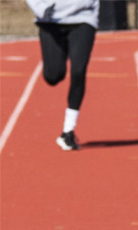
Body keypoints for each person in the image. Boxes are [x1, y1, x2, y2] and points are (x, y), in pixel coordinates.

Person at [26, 0, 100, 151]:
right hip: (51, 20)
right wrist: (41, 8)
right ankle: (62, 51)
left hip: (83, 19)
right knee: (53, 76)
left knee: (78, 71)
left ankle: (68, 131)